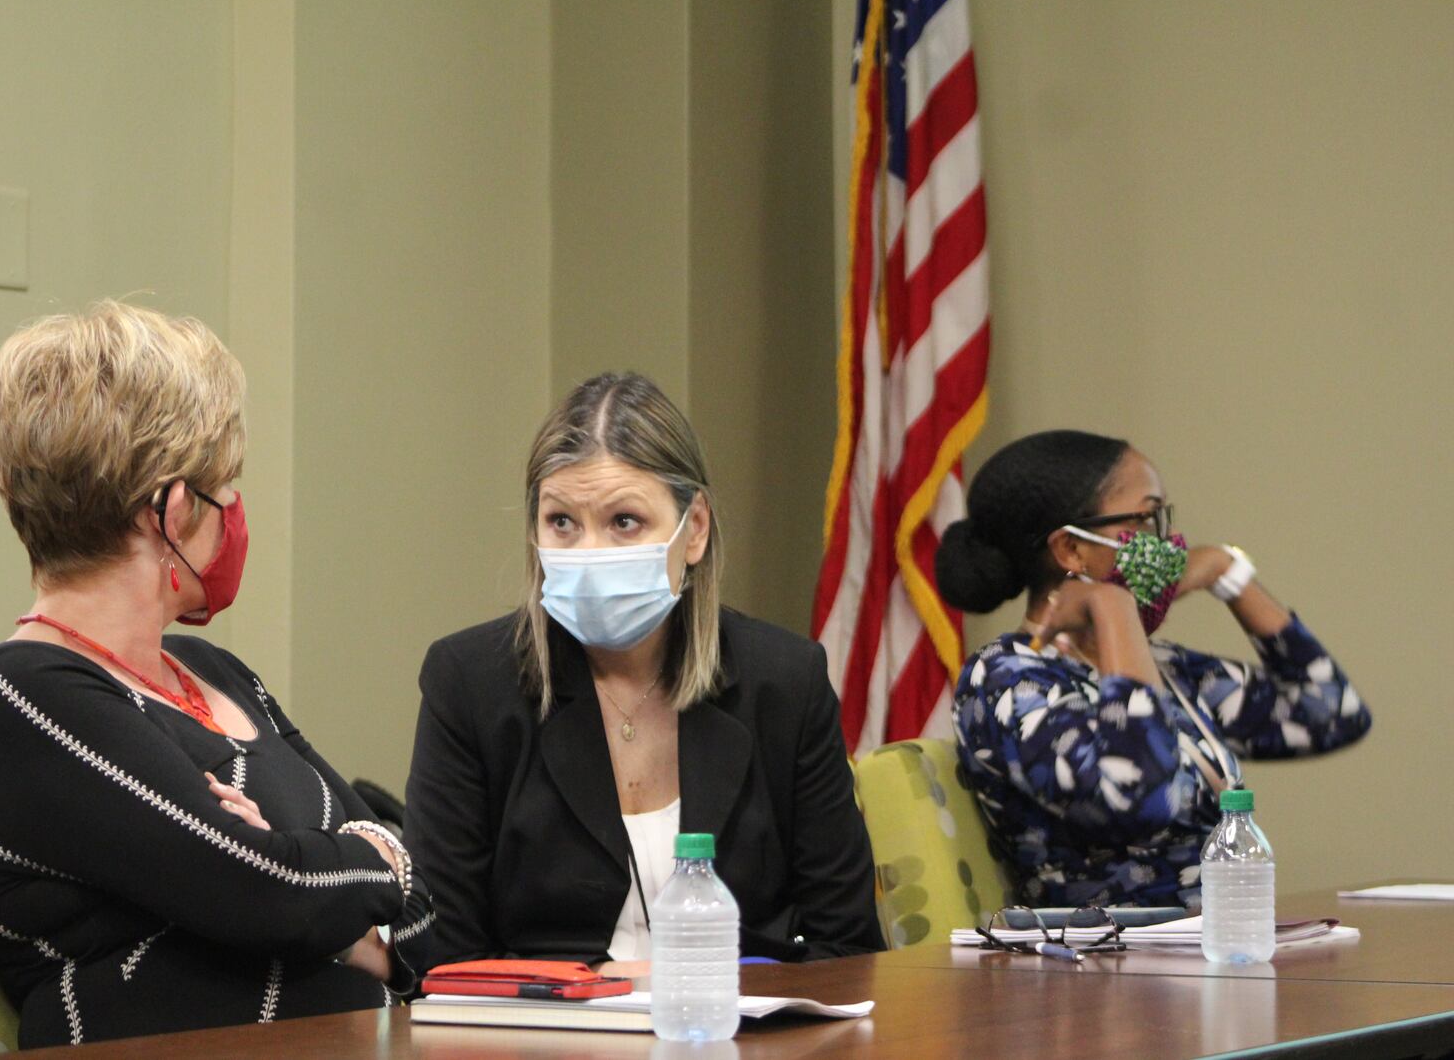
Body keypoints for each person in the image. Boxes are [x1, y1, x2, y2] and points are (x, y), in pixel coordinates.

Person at [0, 301, 432, 1048]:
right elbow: (270, 892)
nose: (235, 513)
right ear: (172, 511)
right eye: (224, 489)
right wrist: (358, 873)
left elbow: (412, 904)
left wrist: (334, 876)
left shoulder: (212, 669)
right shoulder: (21, 694)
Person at [403, 373, 884, 970]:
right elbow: (444, 957)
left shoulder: (785, 681)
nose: (590, 553)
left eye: (624, 521)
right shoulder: (470, 683)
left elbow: (850, 948)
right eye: (561, 523)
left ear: (695, 529)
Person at [936, 430, 1371, 909]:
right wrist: (1113, 605)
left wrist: (1230, 573)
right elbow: (1142, 794)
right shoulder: (1004, 680)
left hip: (1214, 949)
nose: (1166, 543)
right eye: (1145, 519)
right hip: (1096, 969)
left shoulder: (1162, 667)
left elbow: (1329, 712)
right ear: (1071, 550)